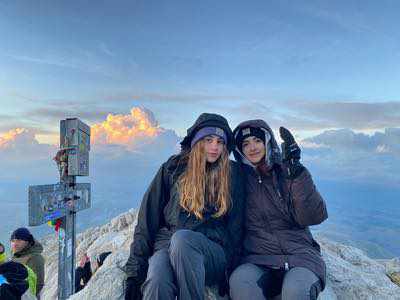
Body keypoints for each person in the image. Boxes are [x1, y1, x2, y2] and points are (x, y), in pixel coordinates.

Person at [124, 113, 245, 300]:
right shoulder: (173, 168)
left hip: (212, 252)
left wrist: (232, 272)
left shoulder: (233, 174)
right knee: (157, 279)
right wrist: (134, 273)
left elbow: (236, 227)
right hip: (168, 244)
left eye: (220, 142)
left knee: (183, 240)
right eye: (208, 139)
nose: (215, 147)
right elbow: (147, 220)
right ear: (197, 142)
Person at [229, 120, 328, 300]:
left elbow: (314, 215)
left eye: (257, 141)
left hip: (300, 256)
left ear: (267, 142)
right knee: (240, 284)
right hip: (257, 259)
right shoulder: (237, 178)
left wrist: (296, 172)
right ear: (239, 150)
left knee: (295, 292)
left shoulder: (287, 171)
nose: (252, 147)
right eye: (245, 144)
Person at [11, 228, 45, 298]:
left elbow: (38, 284)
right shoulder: (17, 254)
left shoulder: (35, 258)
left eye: (19, 240)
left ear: (27, 242)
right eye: (13, 241)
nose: (15, 244)